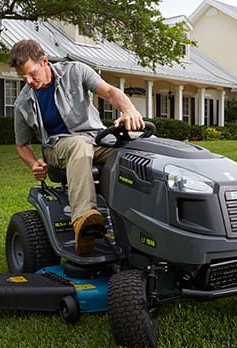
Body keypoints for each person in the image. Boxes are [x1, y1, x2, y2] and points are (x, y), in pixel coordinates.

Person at [9, 39, 145, 255]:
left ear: (44, 61)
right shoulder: (23, 104)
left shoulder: (76, 71)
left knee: (137, 144)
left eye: (32, 74)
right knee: (79, 145)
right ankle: (84, 221)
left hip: (96, 139)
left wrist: (129, 110)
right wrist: (34, 163)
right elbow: (21, 144)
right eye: (23, 77)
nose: (28, 81)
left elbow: (110, 92)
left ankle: (144, 215)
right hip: (58, 147)